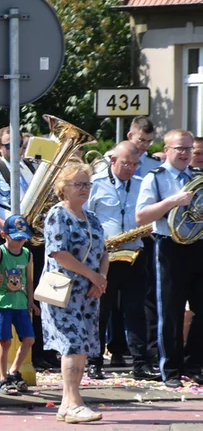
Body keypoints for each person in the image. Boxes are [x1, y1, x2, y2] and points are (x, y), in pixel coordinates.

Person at [41, 162, 108, 423]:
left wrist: (101, 278)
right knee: (72, 342)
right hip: (64, 290)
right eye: (78, 184)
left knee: (83, 345)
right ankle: (72, 402)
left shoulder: (91, 217)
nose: (84, 189)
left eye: (87, 184)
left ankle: (69, 403)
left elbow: (104, 251)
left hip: (88, 292)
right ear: (63, 188)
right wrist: (92, 275)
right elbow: (59, 253)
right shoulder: (58, 214)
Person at [135, 129, 203, 387]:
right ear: (166, 151)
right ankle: (171, 370)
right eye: (180, 149)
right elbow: (141, 216)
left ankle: (195, 363)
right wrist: (172, 201)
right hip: (169, 246)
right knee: (171, 312)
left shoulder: (197, 177)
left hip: (197, 244)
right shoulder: (156, 178)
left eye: (189, 149)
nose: (186, 154)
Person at [87, 141, 158, 381]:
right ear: (113, 160)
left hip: (135, 253)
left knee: (136, 310)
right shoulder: (95, 184)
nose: (131, 169)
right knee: (101, 311)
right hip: (104, 257)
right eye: (127, 163)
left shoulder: (141, 185)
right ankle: (94, 361)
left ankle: (141, 363)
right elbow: (85, 219)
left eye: (135, 164)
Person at [0, 215, 38, 395]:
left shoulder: (27, 254)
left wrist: (31, 301)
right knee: (4, 341)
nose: (20, 241)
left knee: (29, 339)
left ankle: (14, 371)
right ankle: (2, 377)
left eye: (23, 237)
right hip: (3, 304)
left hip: (20, 304)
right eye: (16, 237)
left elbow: (28, 279)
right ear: (4, 234)